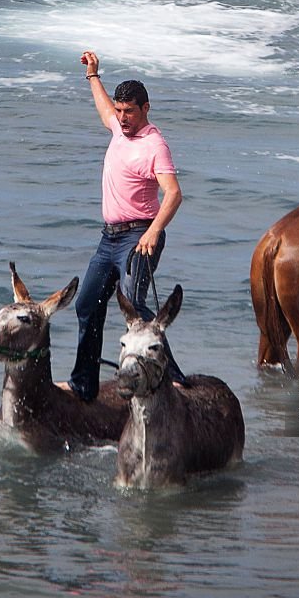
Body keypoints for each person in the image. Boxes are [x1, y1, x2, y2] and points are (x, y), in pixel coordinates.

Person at [65, 51, 186, 403]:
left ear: (145, 109)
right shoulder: (118, 128)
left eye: (129, 111)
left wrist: (152, 232)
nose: (122, 117)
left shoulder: (155, 145)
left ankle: (173, 378)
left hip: (139, 235)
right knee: (87, 304)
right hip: (109, 238)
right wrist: (93, 76)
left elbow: (174, 194)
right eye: (120, 111)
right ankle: (83, 384)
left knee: (134, 302)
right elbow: (103, 108)